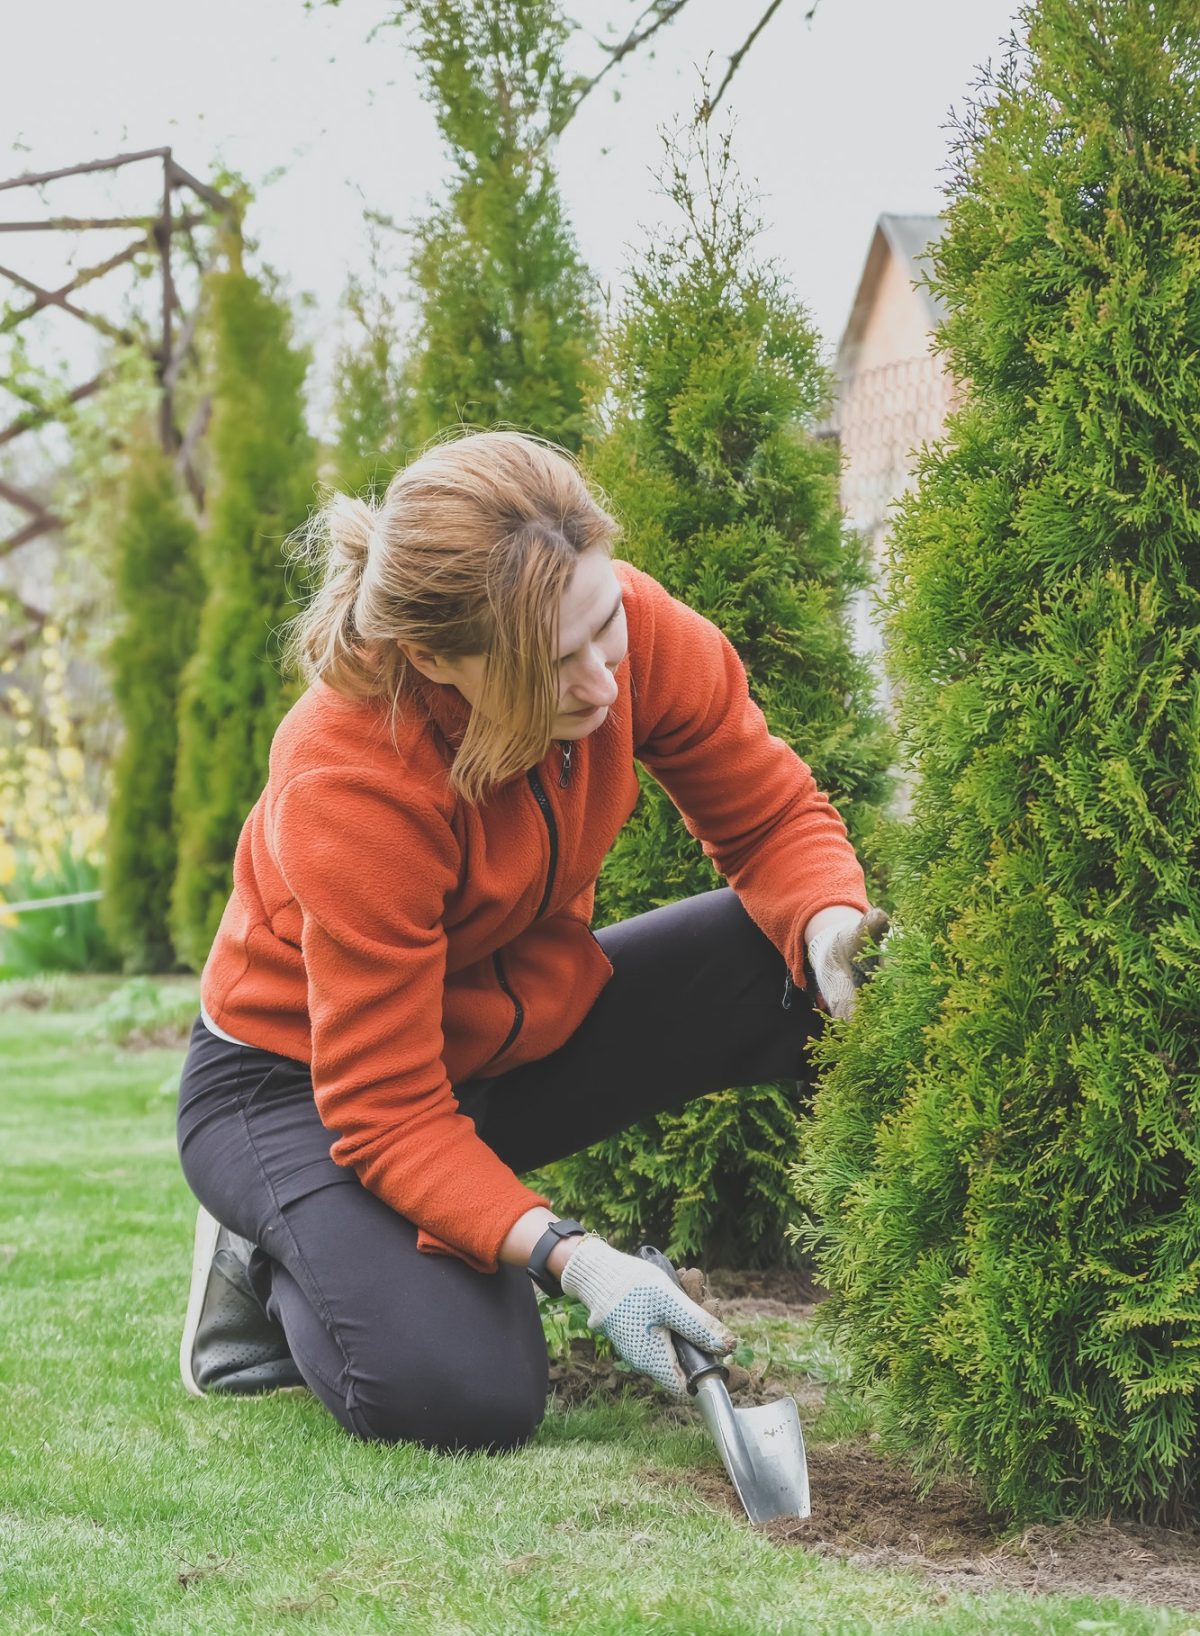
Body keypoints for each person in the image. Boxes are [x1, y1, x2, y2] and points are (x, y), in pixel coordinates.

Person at [176, 429, 887, 1453]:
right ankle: (277, 1247)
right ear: (434, 660)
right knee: (464, 1395)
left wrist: (827, 928)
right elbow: (385, 1110)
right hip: (302, 1093)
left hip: (492, 1045)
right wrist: (577, 1259)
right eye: (557, 665)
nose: (604, 680)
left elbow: (771, 818)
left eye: (606, 627)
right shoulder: (350, 777)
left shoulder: (618, 625)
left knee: (782, 965)